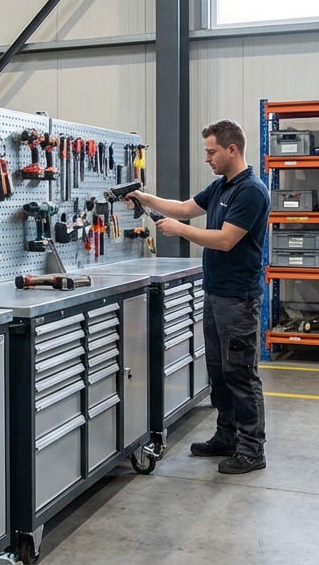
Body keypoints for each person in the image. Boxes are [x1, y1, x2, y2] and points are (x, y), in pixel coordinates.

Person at [125, 119, 269, 474]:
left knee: (241, 374)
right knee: (219, 372)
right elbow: (185, 208)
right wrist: (145, 198)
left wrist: (180, 231)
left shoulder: (250, 191)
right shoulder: (222, 187)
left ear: (232, 150)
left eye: (211, 152)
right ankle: (227, 436)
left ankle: (252, 449)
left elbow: (225, 240)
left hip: (238, 299)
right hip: (217, 294)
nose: (207, 158)